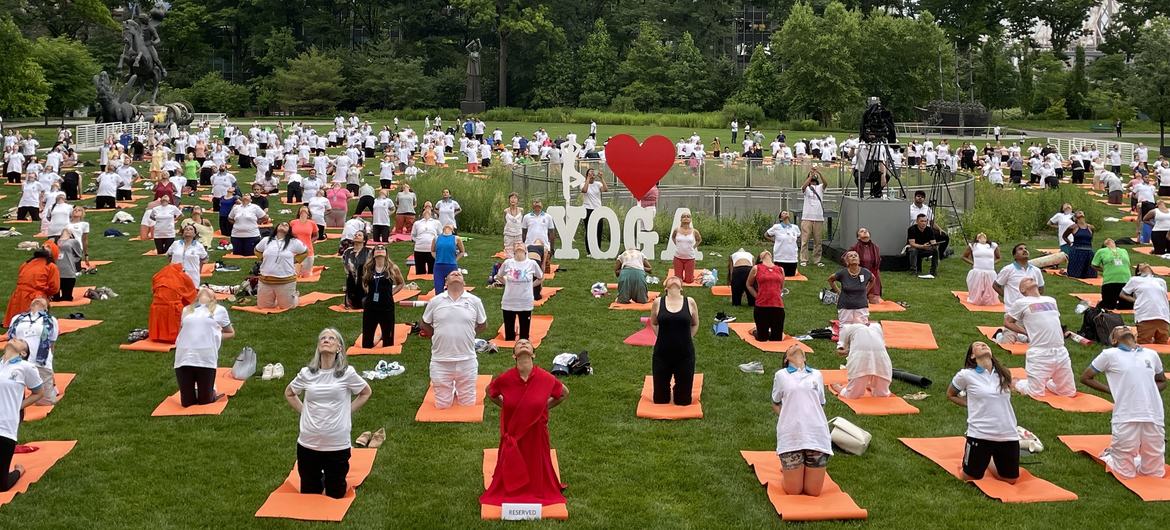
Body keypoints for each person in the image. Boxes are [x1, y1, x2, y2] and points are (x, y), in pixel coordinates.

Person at [284, 328, 372, 499]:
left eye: (331, 338)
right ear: (318, 346)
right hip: (308, 443)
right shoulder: (307, 373)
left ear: (339, 348)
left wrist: (347, 411)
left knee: (336, 494)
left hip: (337, 444)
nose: (326, 340)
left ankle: (329, 478)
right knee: (309, 495)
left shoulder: (347, 373)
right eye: (323, 338)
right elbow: (289, 393)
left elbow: (366, 392)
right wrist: (305, 411)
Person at [481, 340, 568, 506]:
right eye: (519, 344)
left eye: (527, 343)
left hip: (537, 433)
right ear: (514, 355)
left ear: (533, 354)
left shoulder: (545, 378)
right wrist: (505, 405)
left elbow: (563, 393)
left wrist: (543, 407)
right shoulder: (506, 378)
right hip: (513, 432)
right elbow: (490, 392)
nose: (523, 344)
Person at [1080, 326, 1166, 479]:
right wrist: (1112, 391)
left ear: (1135, 335)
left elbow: (1162, 381)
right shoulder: (1109, 355)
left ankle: (1133, 459)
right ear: (1114, 340)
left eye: (1125, 326)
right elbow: (1085, 377)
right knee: (1125, 473)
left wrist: (1148, 390)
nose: (1124, 327)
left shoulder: (1151, 354)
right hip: (1126, 414)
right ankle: (1110, 457)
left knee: (1155, 473)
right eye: (1118, 329)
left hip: (1154, 414)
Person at [946, 341, 1020, 484]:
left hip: (1007, 433)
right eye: (978, 345)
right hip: (980, 434)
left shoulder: (1003, 374)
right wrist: (971, 404)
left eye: (985, 344)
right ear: (972, 356)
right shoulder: (966, 375)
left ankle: (989, 460)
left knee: (1010, 480)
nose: (983, 345)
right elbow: (950, 394)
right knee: (969, 478)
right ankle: (982, 458)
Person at [770, 344, 832, 496]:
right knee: (794, 491)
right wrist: (788, 418)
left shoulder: (817, 375)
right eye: (791, 347)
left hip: (816, 436)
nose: (796, 345)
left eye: (798, 346)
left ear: (805, 357)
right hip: (792, 436)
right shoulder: (781, 375)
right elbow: (775, 402)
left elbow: (821, 403)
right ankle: (788, 471)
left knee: (813, 492)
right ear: (786, 359)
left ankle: (795, 469)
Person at [421, 270, 487, 409]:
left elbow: (482, 324)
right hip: (440, 361)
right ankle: (450, 392)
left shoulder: (475, 301)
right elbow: (424, 323)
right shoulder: (435, 301)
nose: (456, 274)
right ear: (446, 282)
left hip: (467, 360)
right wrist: (436, 335)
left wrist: (469, 334)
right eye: (452, 274)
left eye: (459, 274)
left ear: (464, 282)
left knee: (468, 404)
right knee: (442, 406)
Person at [1004, 278, 1076, 397]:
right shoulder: (1021, 303)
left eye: (1031, 278)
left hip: (1060, 351)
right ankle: (1017, 383)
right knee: (1035, 393)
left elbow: (1053, 320)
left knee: (1069, 393)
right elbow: (1007, 322)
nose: (1030, 278)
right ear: (1022, 289)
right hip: (1039, 352)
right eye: (1026, 280)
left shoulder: (1051, 300)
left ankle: (1046, 382)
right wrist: (1026, 332)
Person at [173, 287, 234, 407]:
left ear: (214, 297)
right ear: (196, 296)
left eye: (209, 289)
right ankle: (199, 389)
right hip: (184, 357)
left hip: (205, 357)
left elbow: (230, 332)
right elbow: (182, 332)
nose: (205, 289)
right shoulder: (187, 310)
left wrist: (214, 336)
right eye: (202, 289)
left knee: (205, 402)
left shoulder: (219, 310)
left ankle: (211, 390)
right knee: (187, 403)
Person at [0, 339, 45, 493]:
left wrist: (17, 406)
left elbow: (39, 393)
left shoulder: (26, 367)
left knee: (1, 486)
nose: (15, 338)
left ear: (23, 353)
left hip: (5, 428)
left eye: (20, 341)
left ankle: (19, 470)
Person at [650, 276, 698, 405]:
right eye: (670, 279)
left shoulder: (690, 302)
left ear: (681, 287)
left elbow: (695, 324)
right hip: (662, 354)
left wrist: (687, 337)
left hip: (685, 354)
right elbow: (653, 323)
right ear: (665, 287)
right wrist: (661, 336)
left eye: (677, 279)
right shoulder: (658, 302)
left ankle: (679, 389)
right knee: (660, 400)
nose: (674, 279)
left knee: (683, 401)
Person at [6, 298, 58, 404]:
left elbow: (51, 343)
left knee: (46, 402)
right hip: (18, 361)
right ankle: (17, 406)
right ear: (30, 306)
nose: (38, 300)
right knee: (9, 397)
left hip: (39, 362)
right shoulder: (17, 318)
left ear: (46, 308)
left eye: (42, 300)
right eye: (35, 300)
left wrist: (49, 364)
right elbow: (11, 340)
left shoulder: (51, 320)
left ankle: (51, 388)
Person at [494, 243, 543, 341]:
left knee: (524, 337)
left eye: (521, 244)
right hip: (509, 302)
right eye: (517, 245)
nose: (519, 245)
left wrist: (530, 286)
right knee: (509, 338)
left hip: (525, 302)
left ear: (526, 250)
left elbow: (540, 277)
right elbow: (499, 276)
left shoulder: (532, 263)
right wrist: (507, 283)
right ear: (514, 250)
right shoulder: (508, 263)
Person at [255, 223, 309, 310]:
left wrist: (295, 260)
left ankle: (294, 296)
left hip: (286, 281)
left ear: (289, 231)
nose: (283, 224)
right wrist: (263, 258)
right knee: (263, 307)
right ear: (276, 228)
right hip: (265, 281)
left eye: (286, 225)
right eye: (281, 224)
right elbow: (257, 250)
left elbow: (305, 252)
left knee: (288, 307)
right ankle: (278, 298)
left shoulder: (294, 242)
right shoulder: (266, 240)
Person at [834, 323, 892, 399]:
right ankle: (870, 384)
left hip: (861, 361)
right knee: (882, 394)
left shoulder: (846, 328)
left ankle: (840, 389)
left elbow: (841, 351)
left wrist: (850, 350)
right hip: (883, 361)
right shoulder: (877, 326)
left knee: (852, 395)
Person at [361, 247, 404, 348]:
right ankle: (377, 338)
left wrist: (390, 293)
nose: (380, 249)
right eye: (377, 248)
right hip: (370, 306)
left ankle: (383, 337)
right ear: (373, 254)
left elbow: (401, 283)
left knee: (388, 343)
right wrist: (369, 292)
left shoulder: (393, 268)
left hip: (386, 305)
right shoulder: (368, 268)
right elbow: (364, 282)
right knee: (366, 343)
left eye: (382, 248)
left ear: (386, 253)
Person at [4, 248, 60, 327]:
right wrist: (48, 294)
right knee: (34, 324)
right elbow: (54, 287)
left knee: (17, 323)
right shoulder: (51, 266)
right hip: (35, 297)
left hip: (18, 296)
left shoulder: (26, 264)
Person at [1120, 263, 1170, 344]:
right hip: (1145, 316)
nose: (1145, 264)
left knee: (1162, 344)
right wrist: (1136, 300)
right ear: (1139, 272)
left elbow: (1163, 297)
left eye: (1145, 263)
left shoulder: (1161, 281)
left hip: (1163, 316)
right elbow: (1122, 294)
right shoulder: (1135, 280)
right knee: (1144, 344)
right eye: (1141, 264)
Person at [149, 263, 197, 343]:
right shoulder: (182, 276)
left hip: (156, 306)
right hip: (172, 306)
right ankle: (172, 337)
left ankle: (158, 336)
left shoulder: (158, 276)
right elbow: (191, 292)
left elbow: (153, 290)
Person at [746, 250, 785, 342]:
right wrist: (757, 296)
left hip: (777, 307)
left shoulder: (780, 269)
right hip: (762, 306)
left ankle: (765, 331)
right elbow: (749, 284)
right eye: (763, 252)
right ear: (760, 258)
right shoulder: (756, 268)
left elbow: (781, 287)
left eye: (767, 251)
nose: (766, 251)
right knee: (762, 339)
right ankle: (755, 331)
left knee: (776, 340)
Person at [828, 251, 875, 326]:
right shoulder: (842, 273)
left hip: (861, 305)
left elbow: (873, 279)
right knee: (845, 327)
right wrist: (838, 292)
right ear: (847, 261)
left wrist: (865, 291)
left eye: (855, 255)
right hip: (845, 306)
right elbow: (830, 279)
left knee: (862, 327)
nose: (853, 257)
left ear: (859, 260)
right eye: (851, 256)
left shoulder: (865, 272)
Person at [994, 244, 1045, 309]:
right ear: (1015, 256)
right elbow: (996, 285)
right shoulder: (1008, 269)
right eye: (1020, 249)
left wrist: (1034, 300)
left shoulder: (1036, 270)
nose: (1024, 250)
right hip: (1013, 307)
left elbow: (1041, 288)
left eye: (1026, 249)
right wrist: (1007, 297)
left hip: (1031, 308)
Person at [1092, 239, 1133, 310]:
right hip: (1111, 281)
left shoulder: (1123, 251)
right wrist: (1105, 270)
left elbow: (1128, 264)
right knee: (1109, 306)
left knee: (1127, 307)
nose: (1109, 240)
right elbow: (1094, 265)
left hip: (1124, 280)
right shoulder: (1101, 251)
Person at [963, 233, 1001, 306]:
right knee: (977, 288)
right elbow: (964, 256)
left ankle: (988, 300)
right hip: (977, 270)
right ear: (977, 239)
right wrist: (973, 263)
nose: (982, 238)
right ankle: (977, 299)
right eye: (980, 237)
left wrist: (992, 263)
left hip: (990, 270)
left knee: (990, 288)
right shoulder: (973, 246)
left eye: (984, 237)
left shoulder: (993, 246)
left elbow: (999, 257)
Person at [847, 228, 882, 304]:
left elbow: (877, 262)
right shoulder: (854, 248)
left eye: (866, 231)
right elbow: (844, 259)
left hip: (873, 274)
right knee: (860, 300)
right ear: (858, 237)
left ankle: (872, 295)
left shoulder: (875, 247)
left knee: (875, 301)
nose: (865, 231)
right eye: (862, 231)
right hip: (859, 274)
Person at [799, 169, 826, 267]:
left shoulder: (820, 187)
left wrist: (819, 173)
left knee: (818, 241)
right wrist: (810, 176)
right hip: (807, 217)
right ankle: (804, 259)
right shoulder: (806, 188)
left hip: (818, 218)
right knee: (805, 240)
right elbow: (803, 187)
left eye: (814, 178)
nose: (813, 179)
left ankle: (817, 260)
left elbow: (826, 183)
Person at [1061, 211, 1096, 279]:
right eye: (1078, 212)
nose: (1080, 212)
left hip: (1088, 251)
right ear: (1075, 217)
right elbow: (1064, 236)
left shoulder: (1091, 227)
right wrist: (1070, 243)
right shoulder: (1073, 227)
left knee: (1091, 275)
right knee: (1075, 274)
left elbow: (1091, 239)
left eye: (1081, 212)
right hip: (1077, 251)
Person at [581, 169, 608, 254]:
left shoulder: (598, 184)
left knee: (599, 230)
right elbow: (584, 190)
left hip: (598, 209)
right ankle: (589, 251)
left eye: (593, 172)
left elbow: (605, 189)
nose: (592, 174)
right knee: (589, 230)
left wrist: (601, 178)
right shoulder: (583, 184)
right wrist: (588, 179)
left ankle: (598, 250)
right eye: (590, 173)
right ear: (586, 175)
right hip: (588, 209)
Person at [670, 209, 702, 284]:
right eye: (684, 216)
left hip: (690, 258)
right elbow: (673, 237)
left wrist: (693, 247)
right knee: (678, 281)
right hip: (678, 258)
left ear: (690, 220)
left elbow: (699, 240)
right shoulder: (676, 230)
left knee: (689, 281)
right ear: (681, 219)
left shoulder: (694, 231)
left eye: (688, 216)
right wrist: (678, 245)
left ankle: (690, 275)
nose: (686, 218)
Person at [765, 211, 800, 277]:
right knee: (779, 275)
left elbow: (798, 236)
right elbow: (766, 235)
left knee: (791, 275)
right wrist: (774, 241)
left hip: (792, 258)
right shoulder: (776, 227)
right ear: (781, 218)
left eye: (786, 212)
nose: (786, 213)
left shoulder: (795, 227)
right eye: (783, 213)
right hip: (780, 258)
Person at [431, 224, 464, 294]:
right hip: (439, 266)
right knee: (438, 288)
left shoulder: (456, 238)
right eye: (446, 226)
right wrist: (437, 258)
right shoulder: (436, 238)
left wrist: (455, 260)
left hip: (451, 266)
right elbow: (432, 251)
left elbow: (462, 252)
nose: (447, 227)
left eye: (450, 226)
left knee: (454, 288)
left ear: (453, 230)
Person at [342, 230, 371, 309]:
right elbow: (346, 266)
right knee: (351, 305)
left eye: (359, 235)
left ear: (364, 240)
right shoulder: (347, 251)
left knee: (364, 304)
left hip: (365, 281)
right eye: (355, 234)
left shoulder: (369, 252)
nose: (356, 236)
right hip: (351, 280)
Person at [289, 206, 320, 279]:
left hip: (308, 250)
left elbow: (316, 235)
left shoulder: (312, 223)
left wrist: (310, 241)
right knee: (293, 274)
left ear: (308, 213)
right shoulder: (293, 222)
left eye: (305, 209)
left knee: (306, 275)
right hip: (294, 250)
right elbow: (289, 234)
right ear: (299, 212)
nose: (303, 209)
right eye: (302, 208)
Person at [54, 228, 83, 301]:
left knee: (66, 297)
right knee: (55, 297)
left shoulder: (73, 242)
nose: (65, 230)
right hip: (56, 271)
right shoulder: (55, 241)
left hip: (68, 271)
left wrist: (72, 260)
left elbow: (79, 254)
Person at [412, 203, 441, 275]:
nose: (427, 210)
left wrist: (435, 243)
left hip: (432, 250)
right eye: (426, 208)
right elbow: (413, 235)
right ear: (423, 211)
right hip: (419, 250)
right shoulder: (417, 223)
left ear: (431, 211)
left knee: (432, 272)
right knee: (420, 272)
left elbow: (440, 235)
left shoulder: (436, 222)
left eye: (429, 208)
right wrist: (418, 241)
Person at [907, 214, 939, 279]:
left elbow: (933, 242)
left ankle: (933, 271)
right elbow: (912, 243)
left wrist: (933, 246)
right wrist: (922, 246)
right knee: (913, 250)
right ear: (917, 221)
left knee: (935, 250)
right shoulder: (912, 229)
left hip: (925, 248)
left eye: (925, 221)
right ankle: (913, 271)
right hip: (916, 248)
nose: (924, 223)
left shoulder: (929, 230)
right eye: (921, 221)